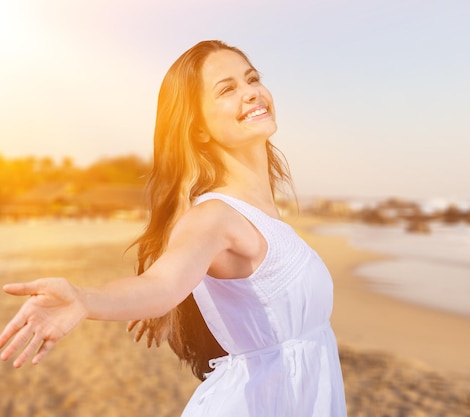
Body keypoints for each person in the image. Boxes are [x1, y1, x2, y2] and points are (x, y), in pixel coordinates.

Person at [0, 40, 347, 417]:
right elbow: (162, 284)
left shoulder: (261, 212)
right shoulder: (214, 217)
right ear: (197, 130)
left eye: (252, 79)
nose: (250, 93)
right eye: (227, 89)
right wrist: (84, 299)